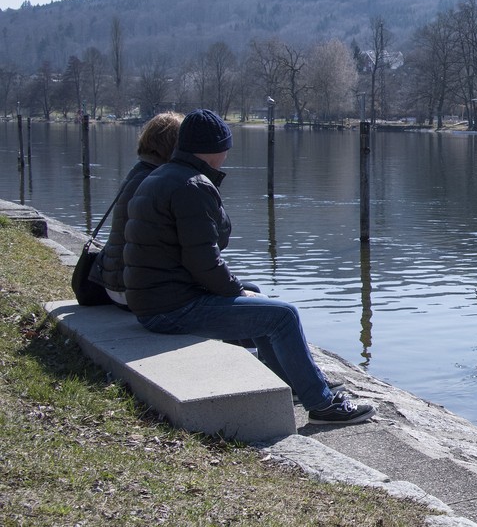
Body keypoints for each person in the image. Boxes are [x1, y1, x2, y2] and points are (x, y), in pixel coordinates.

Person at [123, 109, 373, 425]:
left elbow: (195, 258)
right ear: (213, 150)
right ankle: (323, 406)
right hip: (170, 310)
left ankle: (293, 383)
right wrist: (236, 290)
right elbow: (205, 263)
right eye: (226, 146)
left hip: (154, 301)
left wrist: (242, 291)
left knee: (258, 299)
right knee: (283, 315)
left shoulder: (161, 176)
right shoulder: (191, 186)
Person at [88, 111, 182, 311]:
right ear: (175, 145)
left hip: (113, 283)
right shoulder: (158, 182)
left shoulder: (138, 172)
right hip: (130, 289)